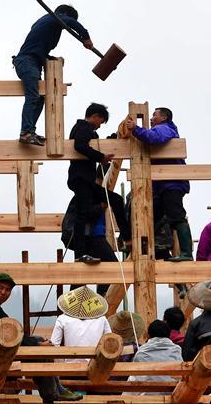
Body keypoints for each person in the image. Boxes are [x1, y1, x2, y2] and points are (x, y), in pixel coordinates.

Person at [0, 273, 81, 404]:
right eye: (0, 288)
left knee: (38, 341)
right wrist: (38, 346)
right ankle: (53, 393)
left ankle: (57, 389)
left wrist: (37, 343)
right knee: (39, 351)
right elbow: (13, 334)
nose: (3, 292)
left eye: (7, 290)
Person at [13, 4, 93, 145]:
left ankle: (30, 131)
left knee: (40, 98)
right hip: (26, 62)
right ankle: (25, 132)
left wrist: (50, 58)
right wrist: (86, 37)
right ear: (64, 15)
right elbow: (71, 22)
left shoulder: (45, 23)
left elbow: (37, 48)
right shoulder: (54, 17)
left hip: (33, 61)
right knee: (33, 96)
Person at [66, 103, 130, 263]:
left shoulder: (89, 131)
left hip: (85, 179)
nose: (100, 125)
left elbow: (96, 145)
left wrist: (115, 138)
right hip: (81, 178)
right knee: (81, 215)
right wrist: (101, 158)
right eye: (101, 121)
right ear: (94, 116)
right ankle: (80, 254)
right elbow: (80, 146)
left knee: (115, 199)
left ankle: (127, 236)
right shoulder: (83, 127)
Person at [127, 107, 192, 262]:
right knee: (151, 216)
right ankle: (149, 247)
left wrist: (135, 129)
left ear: (164, 118)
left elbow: (154, 138)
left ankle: (186, 253)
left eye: (154, 115)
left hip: (172, 183)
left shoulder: (165, 128)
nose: (151, 118)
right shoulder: (161, 128)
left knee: (176, 216)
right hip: (162, 185)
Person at [61, 193, 119, 294]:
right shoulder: (87, 193)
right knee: (113, 266)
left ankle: (74, 300)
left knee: (83, 269)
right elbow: (83, 214)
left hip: (92, 237)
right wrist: (100, 206)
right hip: (91, 237)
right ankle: (101, 297)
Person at [50, 286, 112, 363]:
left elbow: (54, 345)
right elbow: (110, 342)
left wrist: (62, 366)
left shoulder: (62, 318)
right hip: (95, 368)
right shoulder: (102, 319)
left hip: (70, 368)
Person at [125, 320, 183, 395]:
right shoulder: (176, 350)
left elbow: (135, 379)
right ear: (169, 334)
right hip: (172, 396)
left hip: (147, 397)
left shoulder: (142, 352)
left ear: (149, 335)